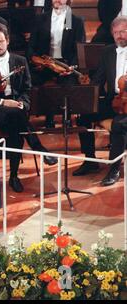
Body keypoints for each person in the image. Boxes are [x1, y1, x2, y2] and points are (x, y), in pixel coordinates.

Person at [0, 23, 57, 193]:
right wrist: (3, 103)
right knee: (17, 120)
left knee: (16, 122)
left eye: (1, 42)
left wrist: (23, 104)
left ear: (8, 40)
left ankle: (14, 175)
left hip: (17, 106)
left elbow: (27, 88)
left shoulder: (19, 61)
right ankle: (35, 152)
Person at [73, 16, 127, 185]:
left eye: (123, 31)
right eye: (116, 32)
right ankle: (90, 160)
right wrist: (87, 94)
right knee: (83, 116)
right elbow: (98, 79)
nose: (120, 36)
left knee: (118, 125)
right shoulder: (108, 51)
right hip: (114, 101)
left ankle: (114, 169)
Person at [27, 0, 85, 127]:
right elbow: (31, 46)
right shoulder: (41, 18)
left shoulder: (74, 21)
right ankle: (41, 117)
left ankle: (67, 118)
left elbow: (79, 49)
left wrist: (72, 67)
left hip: (65, 64)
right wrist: (38, 61)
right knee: (29, 80)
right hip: (45, 63)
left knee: (69, 83)